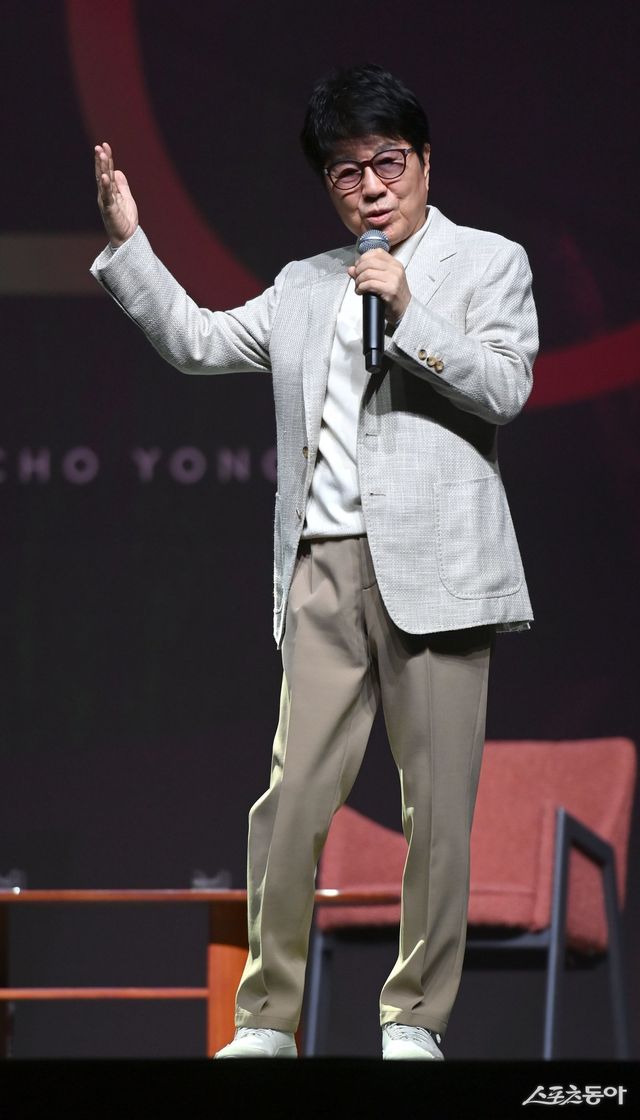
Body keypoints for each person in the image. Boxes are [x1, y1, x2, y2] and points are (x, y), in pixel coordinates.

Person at [91, 64, 537, 1061]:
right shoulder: (303, 285)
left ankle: (414, 1018)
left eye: (387, 163)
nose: (370, 186)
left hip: (439, 570)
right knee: (290, 802)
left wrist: (409, 310)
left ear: (423, 162)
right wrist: (131, 246)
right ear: (328, 184)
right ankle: (267, 1018)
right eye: (346, 171)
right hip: (322, 570)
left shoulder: (486, 263)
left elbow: (504, 386)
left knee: (438, 811)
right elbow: (199, 342)